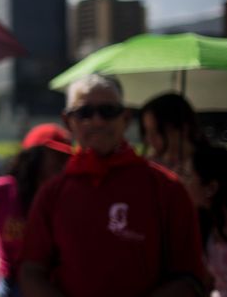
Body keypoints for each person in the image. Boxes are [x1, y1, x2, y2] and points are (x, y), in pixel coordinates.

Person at [19, 75, 208, 297]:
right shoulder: (52, 194)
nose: (97, 121)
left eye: (108, 111)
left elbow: (190, 277)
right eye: (84, 113)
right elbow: (31, 270)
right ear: (68, 121)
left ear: (126, 118)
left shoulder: (167, 188)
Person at [0, 124, 72, 297]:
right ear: (34, 156)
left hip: (55, 286)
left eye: (67, 156)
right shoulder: (0, 192)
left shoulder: (68, 196)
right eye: (57, 154)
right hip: (12, 285)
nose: (63, 162)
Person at [190, 145, 227, 295]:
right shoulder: (204, 228)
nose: (183, 182)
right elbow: (205, 285)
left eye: (189, 175)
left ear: (211, 188)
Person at [140, 92, 206, 184]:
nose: (149, 139)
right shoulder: (149, 167)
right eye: (146, 131)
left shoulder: (208, 168)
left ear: (183, 129)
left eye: (158, 131)